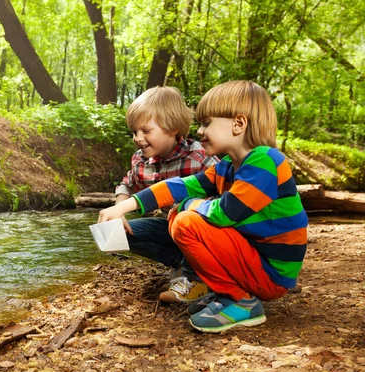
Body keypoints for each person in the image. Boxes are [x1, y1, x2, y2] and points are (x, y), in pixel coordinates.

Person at [100, 80, 308, 333]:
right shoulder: (227, 167)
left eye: (207, 123)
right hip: (252, 263)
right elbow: (180, 186)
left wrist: (189, 204)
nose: (199, 131)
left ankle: (242, 302)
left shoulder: (266, 161)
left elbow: (226, 213)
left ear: (238, 124)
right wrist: (123, 207)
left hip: (270, 274)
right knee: (181, 213)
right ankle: (225, 292)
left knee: (187, 219)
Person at [115, 86, 218, 304]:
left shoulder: (199, 156)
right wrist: (118, 210)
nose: (137, 138)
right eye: (134, 132)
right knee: (115, 234)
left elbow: (226, 188)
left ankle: (196, 279)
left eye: (145, 131)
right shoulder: (140, 160)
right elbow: (126, 184)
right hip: (170, 228)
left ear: (172, 128)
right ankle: (181, 263)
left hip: (205, 230)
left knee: (189, 206)